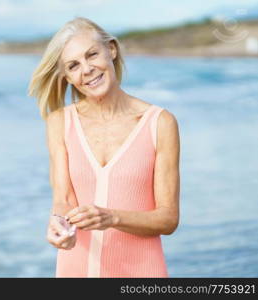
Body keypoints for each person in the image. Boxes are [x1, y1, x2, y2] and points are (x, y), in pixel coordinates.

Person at [28, 17, 180, 278]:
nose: (86, 70)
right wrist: (58, 225)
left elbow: (168, 219)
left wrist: (112, 218)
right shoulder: (59, 123)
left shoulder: (159, 123)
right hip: (75, 270)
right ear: (67, 77)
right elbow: (63, 201)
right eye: (73, 65)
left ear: (111, 49)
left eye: (92, 55)